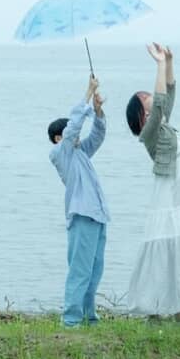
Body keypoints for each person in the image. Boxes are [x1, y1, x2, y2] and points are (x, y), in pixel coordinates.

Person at [125, 44, 180, 321]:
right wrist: (158, 65)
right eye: (142, 96)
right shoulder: (149, 132)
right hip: (168, 193)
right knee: (168, 246)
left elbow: (168, 95)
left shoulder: (162, 125)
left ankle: (176, 307)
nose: (148, 95)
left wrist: (169, 62)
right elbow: (159, 102)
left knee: (179, 246)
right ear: (140, 115)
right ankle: (158, 307)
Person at [48, 73, 110, 327]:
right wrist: (87, 92)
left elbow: (97, 136)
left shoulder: (80, 152)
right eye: (66, 133)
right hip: (82, 216)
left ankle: (88, 318)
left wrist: (97, 111)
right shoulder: (60, 154)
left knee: (94, 272)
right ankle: (71, 321)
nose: (73, 134)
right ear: (58, 138)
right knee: (79, 271)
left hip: (97, 215)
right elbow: (74, 125)